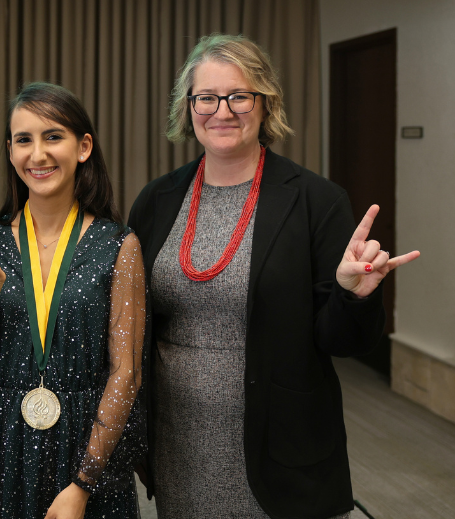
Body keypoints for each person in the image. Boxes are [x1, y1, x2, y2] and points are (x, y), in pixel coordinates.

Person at [126, 34, 420, 518]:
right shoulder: (156, 200)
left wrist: (353, 295)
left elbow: (343, 340)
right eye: (206, 97)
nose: (222, 110)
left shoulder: (316, 201)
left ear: (265, 104)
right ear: (188, 107)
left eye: (239, 95)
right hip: (180, 441)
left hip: (283, 446)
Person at [0, 82, 148, 519]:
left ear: (83, 146)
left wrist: (84, 482)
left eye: (53, 136)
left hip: (85, 446)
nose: (38, 154)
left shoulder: (118, 244)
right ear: (11, 152)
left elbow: (125, 373)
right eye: (24, 140)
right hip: (0, 442)